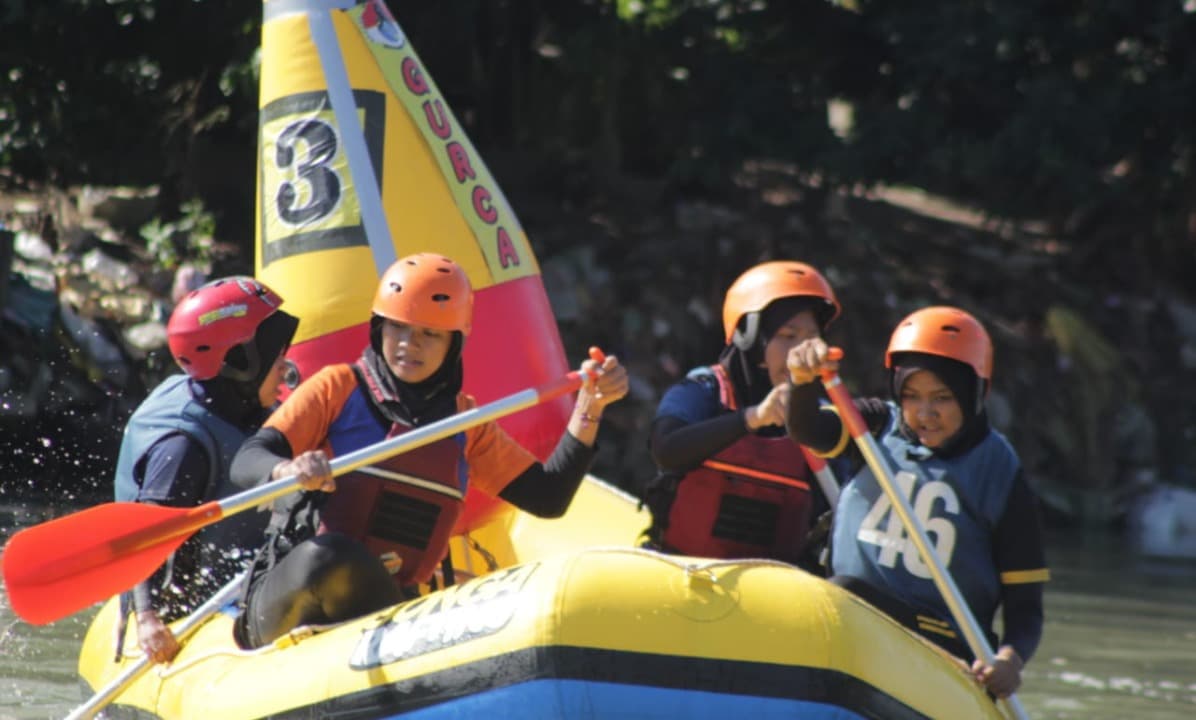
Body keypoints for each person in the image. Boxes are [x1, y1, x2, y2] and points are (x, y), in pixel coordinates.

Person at [228, 252, 629, 649]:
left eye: (429, 334)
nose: (409, 345)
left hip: (391, 614)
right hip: (296, 590)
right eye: (398, 328)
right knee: (331, 557)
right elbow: (248, 461)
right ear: (378, 328)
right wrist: (287, 470)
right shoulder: (337, 387)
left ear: (453, 344)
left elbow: (548, 497)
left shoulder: (463, 423)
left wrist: (590, 407)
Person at [784, 306, 1049, 699]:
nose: (925, 414)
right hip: (852, 609)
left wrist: (1010, 658)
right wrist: (803, 382)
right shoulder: (874, 425)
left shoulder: (1001, 471)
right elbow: (808, 428)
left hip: (941, 641)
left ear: (974, 393)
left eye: (942, 398)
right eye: (911, 396)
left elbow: (1026, 605)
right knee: (835, 588)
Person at [114, 276, 298, 664]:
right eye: (277, 355)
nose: (286, 366)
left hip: (248, 588)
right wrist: (146, 618)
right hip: (191, 614)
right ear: (240, 362)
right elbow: (141, 534)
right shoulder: (183, 446)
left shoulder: (240, 406)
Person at [641, 260, 841, 570]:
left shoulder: (823, 417)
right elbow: (666, 450)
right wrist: (752, 418)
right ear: (749, 337)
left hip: (770, 595)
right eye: (787, 335)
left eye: (811, 338)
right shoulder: (704, 390)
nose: (801, 351)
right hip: (680, 570)